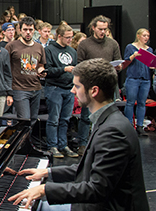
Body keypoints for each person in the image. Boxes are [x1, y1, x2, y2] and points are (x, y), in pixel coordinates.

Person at [8, 58, 149, 211]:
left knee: (40, 207)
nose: (72, 91)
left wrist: (44, 190)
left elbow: (96, 189)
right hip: (103, 203)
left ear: (94, 91)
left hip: (108, 207)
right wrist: (47, 172)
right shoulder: (107, 119)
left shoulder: (113, 131)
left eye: (77, 86)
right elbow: (87, 169)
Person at [75, 15, 122, 155]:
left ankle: (107, 142)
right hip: (90, 85)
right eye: (100, 29)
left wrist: (118, 66)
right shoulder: (85, 44)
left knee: (108, 115)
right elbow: (79, 64)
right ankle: (83, 144)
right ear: (93, 28)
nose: (103, 32)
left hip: (108, 84)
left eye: (105, 29)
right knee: (85, 116)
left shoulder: (113, 44)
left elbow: (118, 61)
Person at [44, 24, 79, 158]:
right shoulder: (49, 50)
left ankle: (63, 145)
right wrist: (63, 69)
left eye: (71, 37)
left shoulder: (72, 51)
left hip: (69, 88)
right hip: (54, 88)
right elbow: (48, 71)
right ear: (59, 36)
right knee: (54, 119)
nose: (70, 40)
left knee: (65, 119)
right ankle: (52, 145)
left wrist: (75, 85)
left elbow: (75, 70)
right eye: (67, 37)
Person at [5, 16, 46, 125]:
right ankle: (22, 142)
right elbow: (5, 69)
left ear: (34, 30)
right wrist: (8, 92)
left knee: (33, 120)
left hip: (36, 88)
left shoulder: (39, 47)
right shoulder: (11, 46)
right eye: (25, 30)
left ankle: (28, 141)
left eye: (30, 30)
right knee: (24, 120)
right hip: (19, 88)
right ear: (20, 30)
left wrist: (42, 71)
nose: (28, 32)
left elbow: (40, 64)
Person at [124, 28, 152, 136]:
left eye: (148, 36)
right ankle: (129, 125)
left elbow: (149, 64)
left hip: (145, 79)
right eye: (144, 35)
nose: (146, 38)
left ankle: (140, 126)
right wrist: (133, 55)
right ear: (139, 36)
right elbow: (126, 62)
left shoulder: (149, 49)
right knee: (130, 102)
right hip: (133, 78)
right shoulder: (131, 47)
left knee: (142, 103)